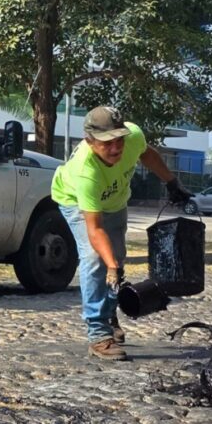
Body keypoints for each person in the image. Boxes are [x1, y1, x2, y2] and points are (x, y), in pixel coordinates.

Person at [51, 106, 193, 361]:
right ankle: (98, 335)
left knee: (116, 257)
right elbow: (95, 229)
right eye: (107, 143)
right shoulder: (86, 171)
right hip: (75, 200)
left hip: (115, 201)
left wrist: (172, 182)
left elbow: (146, 154)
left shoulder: (134, 135)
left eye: (119, 140)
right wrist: (110, 266)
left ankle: (109, 314)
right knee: (96, 258)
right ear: (90, 141)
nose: (116, 148)